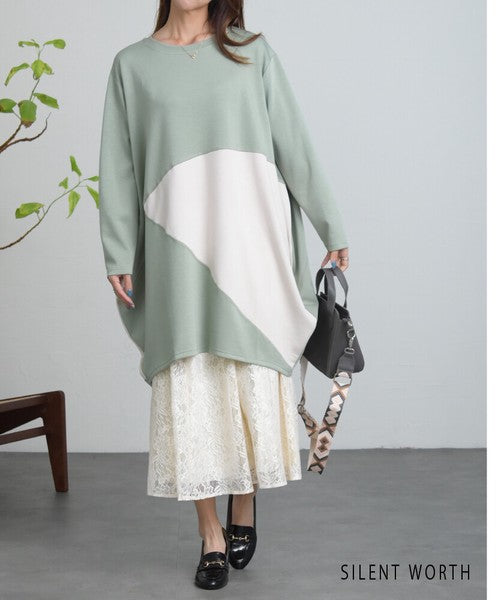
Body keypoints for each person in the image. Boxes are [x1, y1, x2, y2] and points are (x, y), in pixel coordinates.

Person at [98, 0, 350, 590]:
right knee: (190, 380)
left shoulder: (251, 53)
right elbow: (119, 165)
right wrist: (117, 250)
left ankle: (244, 498)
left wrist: (331, 226)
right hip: (177, 252)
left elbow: (294, 145)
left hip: (251, 247)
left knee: (247, 373)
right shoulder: (132, 66)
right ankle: (210, 533)